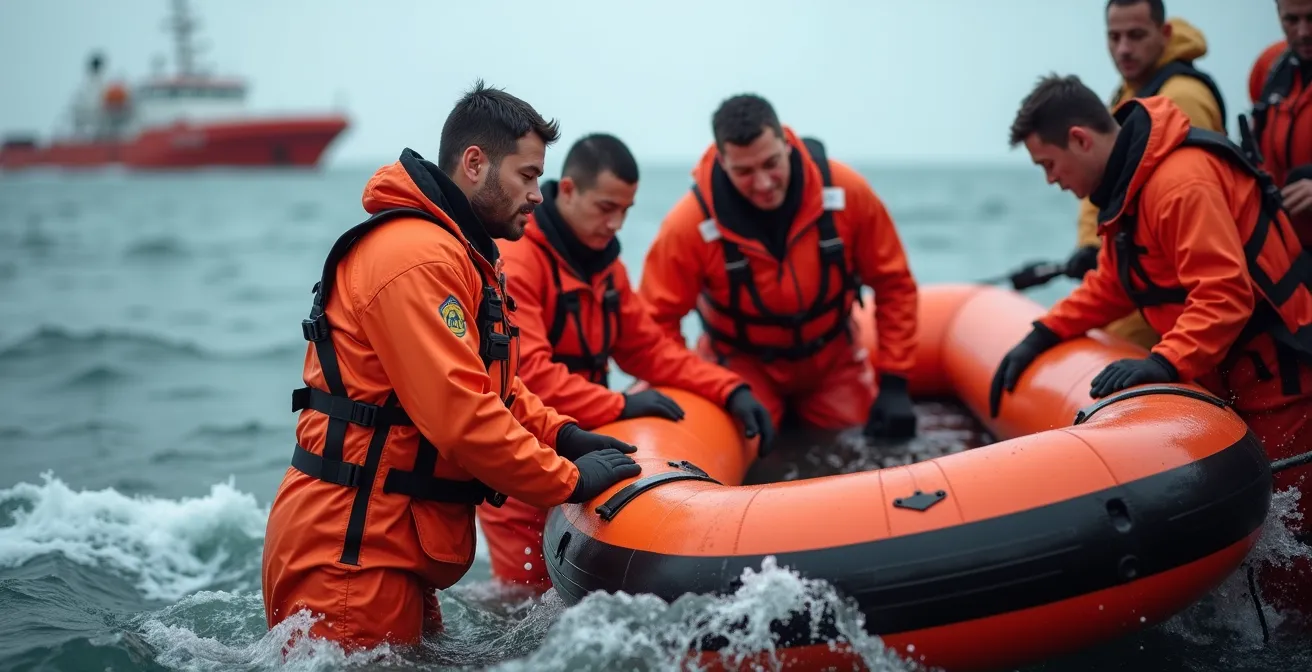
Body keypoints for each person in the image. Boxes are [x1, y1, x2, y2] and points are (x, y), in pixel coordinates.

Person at [261, 81, 643, 651]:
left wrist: (564, 435)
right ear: (474, 163)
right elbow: (462, 416)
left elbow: (497, 389)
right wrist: (569, 480)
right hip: (350, 553)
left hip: (390, 543)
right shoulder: (415, 258)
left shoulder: (457, 255)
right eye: (527, 175)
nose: (539, 194)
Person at [992, 73, 1312, 619]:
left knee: (1289, 561)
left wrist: (1161, 362)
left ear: (1081, 139)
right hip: (1231, 377)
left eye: (1049, 165)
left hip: (1281, 382)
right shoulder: (1130, 189)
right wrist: (1041, 335)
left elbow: (1225, 295)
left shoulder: (1178, 182)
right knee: (1254, 553)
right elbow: (1115, 284)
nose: (1051, 180)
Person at [476, 132, 774, 592]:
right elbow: (527, 374)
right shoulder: (521, 260)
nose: (616, 223)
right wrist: (620, 406)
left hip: (585, 448)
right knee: (523, 602)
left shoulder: (606, 268)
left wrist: (728, 389)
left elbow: (650, 350)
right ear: (569, 190)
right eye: (605, 208)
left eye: (626, 211)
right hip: (522, 468)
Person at [637, 94, 920, 440]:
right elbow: (654, 327)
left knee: (864, 445)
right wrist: (712, 386)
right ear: (722, 163)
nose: (763, 183)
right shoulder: (687, 225)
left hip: (833, 363)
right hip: (739, 369)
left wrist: (895, 382)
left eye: (771, 163)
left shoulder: (848, 192)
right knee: (748, 444)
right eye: (744, 171)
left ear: (787, 143)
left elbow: (894, 285)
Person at [1014, 0, 1227, 350]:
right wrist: (1091, 249)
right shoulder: (1129, 93)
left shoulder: (1182, 102)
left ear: (1165, 33)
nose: (1124, 49)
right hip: (1128, 274)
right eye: (1114, 37)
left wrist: (1167, 361)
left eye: (1136, 35)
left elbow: (1198, 261)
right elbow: (1112, 193)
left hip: (1163, 295)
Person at [1243, 0, 1312, 248]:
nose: (1303, 32)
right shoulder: (1270, 66)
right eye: (1291, 20)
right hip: (1281, 248)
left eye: (1311, 18)